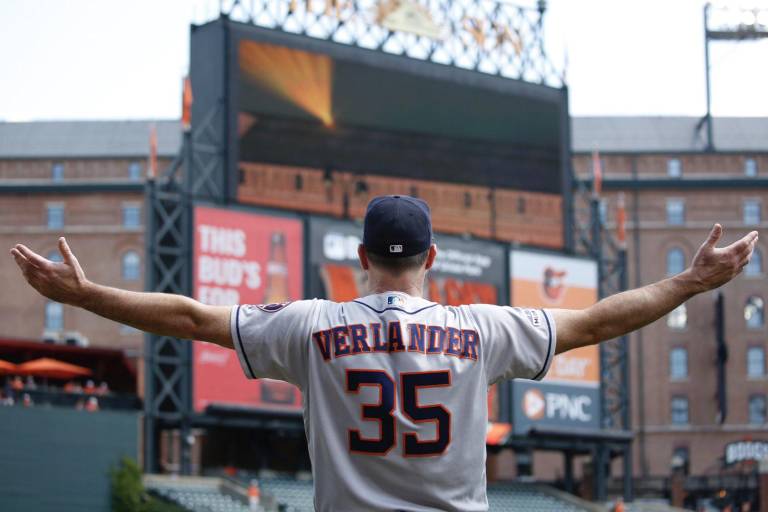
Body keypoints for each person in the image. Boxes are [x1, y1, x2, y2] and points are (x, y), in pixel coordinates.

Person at [10, 195, 758, 512]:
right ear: (431, 256)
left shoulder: (309, 326)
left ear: (361, 256)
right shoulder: (481, 330)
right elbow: (594, 323)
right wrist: (691, 281)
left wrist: (88, 296)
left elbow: (191, 316)